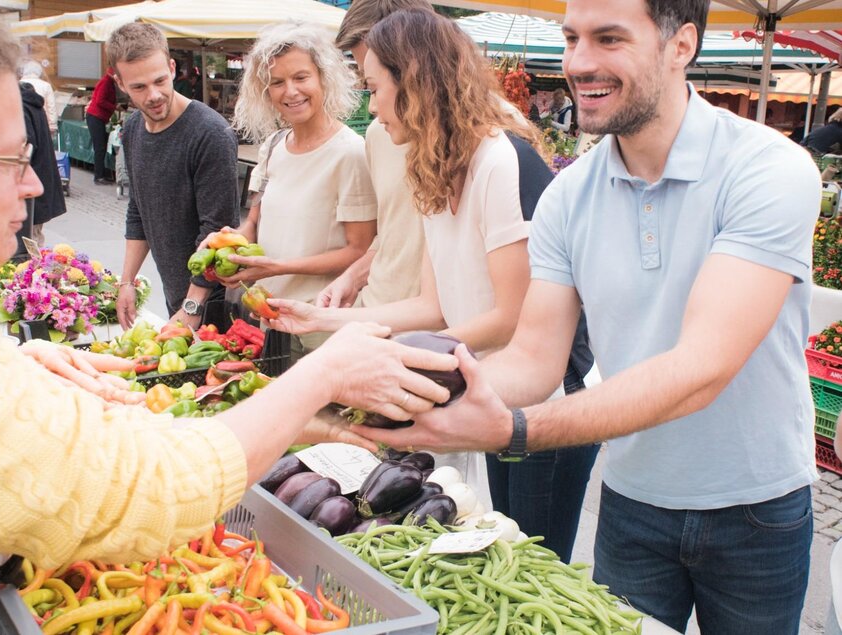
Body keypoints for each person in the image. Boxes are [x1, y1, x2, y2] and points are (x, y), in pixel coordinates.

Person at [0, 1, 463, 632]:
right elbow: (159, 488)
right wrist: (323, 374)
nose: (36, 181)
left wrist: (8, 367)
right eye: (11, 160)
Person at [354, 0, 819, 632]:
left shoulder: (768, 168)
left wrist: (513, 431)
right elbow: (533, 358)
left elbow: (702, 367)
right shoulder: (569, 196)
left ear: (680, 46)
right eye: (572, 39)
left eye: (608, 39)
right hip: (631, 500)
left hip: (755, 509)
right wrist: (420, 389)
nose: (579, 62)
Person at [267, 9, 597, 561]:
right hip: (487, 384)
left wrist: (393, 364)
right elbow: (430, 305)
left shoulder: (500, 161)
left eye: (375, 88)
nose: (370, 106)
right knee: (501, 549)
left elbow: (509, 316)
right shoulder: (434, 166)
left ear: (414, 82)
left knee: (537, 562)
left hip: (545, 396)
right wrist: (321, 319)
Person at [210, 21, 378, 357]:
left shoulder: (350, 153)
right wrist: (229, 244)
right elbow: (254, 221)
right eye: (277, 83)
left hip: (319, 327)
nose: (291, 92)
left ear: (323, 78)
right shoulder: (273, 146)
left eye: (301, 78)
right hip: (269, 320)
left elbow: (360, 251)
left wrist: (277, 267)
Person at [110, 23, 240, 329]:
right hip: (177, 296)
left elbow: (218, 232)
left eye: (160, 80)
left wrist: (192, 306)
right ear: (119, 82)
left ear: (172, 67)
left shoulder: (210, 133)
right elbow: (138, 210)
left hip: (216, 300)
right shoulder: (132, 129)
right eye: (139, 87)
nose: (153, 95)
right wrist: (126, 282)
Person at [317, 0, 434, 312]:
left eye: (375, 79)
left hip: (437, 339)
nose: (372, 103)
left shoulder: (482, 140)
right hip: (377, 320)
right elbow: (391, 235)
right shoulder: (377, 135)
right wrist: (353, 277)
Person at [17, 81, 65, 249]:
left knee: (27, 242)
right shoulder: (31, 102)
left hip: (31, 185)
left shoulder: (20, 106)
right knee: (33, 237)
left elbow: (26, 148)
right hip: (41, 179)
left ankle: (32, 271)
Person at [85, 67, 118, 185]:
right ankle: (98, 176)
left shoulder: (108, 82)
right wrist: (114, 107)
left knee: (102, 146)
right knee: (100, 147)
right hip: (95, 117)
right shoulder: (106, 82)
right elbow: (100, 101)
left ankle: (102, 173)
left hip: (98, 117)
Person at [19, 60, 57, 140]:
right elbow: (51, 107)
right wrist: (52, 125)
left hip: (22, 123)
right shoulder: (46, 86)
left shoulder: (17, 84)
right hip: (42, 122)